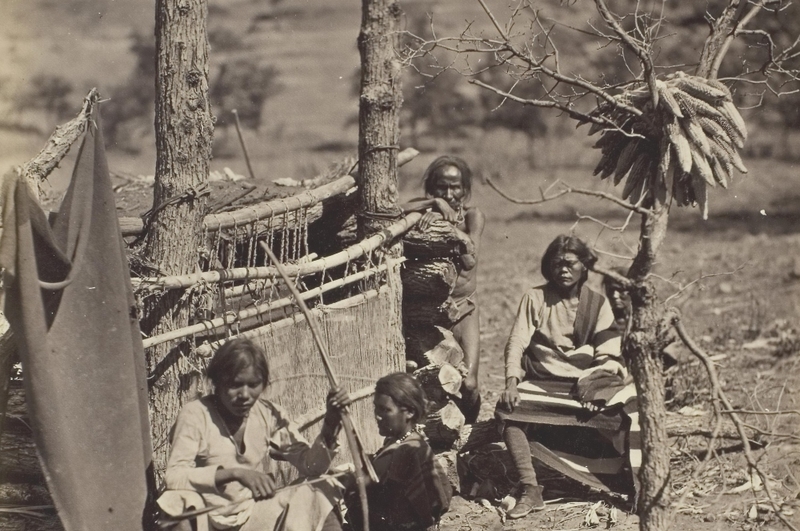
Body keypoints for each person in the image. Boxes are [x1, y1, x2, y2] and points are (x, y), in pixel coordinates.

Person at [162, 337, 350, 531]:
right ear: (217, 382)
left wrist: (331, 422)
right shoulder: (195, 414)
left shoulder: (267, 415)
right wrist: (235, 474)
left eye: (253, 385)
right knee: (176, 501)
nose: (245, 395)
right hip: (207, 521)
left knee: (318, 489)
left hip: (252, 518)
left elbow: (312, 467)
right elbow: (174, 476)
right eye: (235, 384)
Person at [498, 235, 625, 519]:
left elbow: (608, 353)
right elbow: (517, 341)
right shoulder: (535, 298)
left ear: (584, 267)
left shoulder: (597, 304)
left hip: (584, 384)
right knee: (508, 412)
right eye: (556, 265)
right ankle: (531, 488)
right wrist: (511, 383)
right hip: (542, 381)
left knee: (623, 415)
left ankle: (615, 480)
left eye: (570, 264)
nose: (563, 270)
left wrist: (598, 390)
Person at [402, 156, 486, 423]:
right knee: (433, 380)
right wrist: (432, 206)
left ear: (465, 188)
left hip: (464, 309)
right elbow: (394, 210)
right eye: (441, 189)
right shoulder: (425, 215)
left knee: (469, 383)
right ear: (431, 188)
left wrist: (452, 231)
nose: (449, 194)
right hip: (430, 313)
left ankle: (470, 434)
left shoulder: (473, 217)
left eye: (455, 187)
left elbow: (471, 258)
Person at [344, 372, 451, 531]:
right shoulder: (410, 440)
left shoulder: (404, 452)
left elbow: (369, 490)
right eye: (376, 408)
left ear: (409, 412)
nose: (377, 416)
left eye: (385, 410)